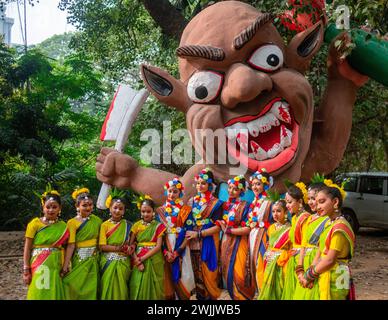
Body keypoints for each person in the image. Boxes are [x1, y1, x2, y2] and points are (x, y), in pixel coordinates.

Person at [301, 182, 356, 300]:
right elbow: (320, 252)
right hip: (323, 273)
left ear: (335, 202)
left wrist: (309, 275)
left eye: (322, 202)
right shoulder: (328, 224)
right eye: (317, 202)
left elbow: (330, 259)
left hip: (336, 277)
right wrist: (310, 273)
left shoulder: (340, 227)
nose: (318, 206)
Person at [23, 187, 69, 300]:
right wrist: (26, 269)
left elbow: (68, 246)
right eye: (48, 207)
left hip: (56, 264)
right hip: (38, 264)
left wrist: (66, 265)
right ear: (43, 207)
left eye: (54, 207)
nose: (51, 210)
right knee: (38, 291)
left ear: (60, 208)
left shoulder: (63, 226)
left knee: (54, 291)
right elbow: (27, 248)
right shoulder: (34, 224)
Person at [185, 168, 223, 300]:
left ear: (210, 185)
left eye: (204, 183)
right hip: (193, 242)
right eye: (198, 183)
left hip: (209, 241)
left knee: (209, 272)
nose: (200, 186)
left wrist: (199, 234)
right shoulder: (191, 201)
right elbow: (187, 222)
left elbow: (218, 226)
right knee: (197, 272)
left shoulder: (217, 203)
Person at [156, 178, 195, 300]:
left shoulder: (186, 210)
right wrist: (165, 251)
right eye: (170, 191)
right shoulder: (161, 211)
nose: (172, 194)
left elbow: (189, 232)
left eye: (175, 192)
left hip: (182, 245)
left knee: (184, 275)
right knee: (167, 275)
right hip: (164, 246)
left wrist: (178, 251)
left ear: (180, 193)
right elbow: (158, 233)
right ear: (167, 192)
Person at [218, 175, 255, 300]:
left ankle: (242, 297)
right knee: (227, 270)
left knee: (239, 272)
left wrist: (229, 230)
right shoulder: (226, 206)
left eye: (235, 189)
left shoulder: (247, 206)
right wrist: (223, 225)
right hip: (226, 241)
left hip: (240, 242)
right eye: (229, 188)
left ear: (241, 191)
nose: (231, 191)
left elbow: (248, 228)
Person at [62, 187, 102, 300]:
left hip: (94, 258)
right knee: (78, 284)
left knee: (93, 284)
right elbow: (71, 245)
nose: (88, 207)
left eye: (90, 204)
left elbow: (101, 242)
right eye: (84, 205)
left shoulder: (98, 221)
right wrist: (65, 265)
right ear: (77, 206)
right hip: (79, 258)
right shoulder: (72, 223)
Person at [294, 175, 328, 300]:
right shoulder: (309, 219)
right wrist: (300, 270)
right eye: (309, 198)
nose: (311, 202)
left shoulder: (327, 220)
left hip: (316, 264)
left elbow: (321, 247)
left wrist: (309, 274)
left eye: (314, 198)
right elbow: (303, 244)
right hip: (304, 263)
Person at [129, 196, 166, 300]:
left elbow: (158, 246)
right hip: (138, 258)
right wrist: (137, 260)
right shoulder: (136, 226)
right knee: (137, 283)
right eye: (143, 211)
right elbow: (131, 245)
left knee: (155, 284)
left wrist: (142, 259)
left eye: (148, 211)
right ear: (140, 211)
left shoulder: (159, 226)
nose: (145, 214)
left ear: (153, 212)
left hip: (154, 258)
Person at [99, 189, 133, 300]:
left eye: (121, 208)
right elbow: (102, 246)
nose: (117, 211)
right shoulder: (104, 225)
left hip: (123, 261)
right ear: (110, 208)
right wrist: (119, 248)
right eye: (115, 208)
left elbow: (133, 242)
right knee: (107, 287)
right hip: (108, 261)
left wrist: (131, 247)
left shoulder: (128, 225)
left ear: (124, 211)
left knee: (122, 289)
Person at [281, 182, 311, 300]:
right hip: (293, 258)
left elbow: (306, 243)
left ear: (300, 202)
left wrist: (298, 253)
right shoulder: (294, 218)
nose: (287, 205)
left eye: (290, 202)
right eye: (286, 202)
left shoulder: (306, 218)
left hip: (301, 260)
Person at [247, 168, 274, 293]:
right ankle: (259, 291)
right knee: (254, 262)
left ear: (266, 185)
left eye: (258, 184)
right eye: (253, 184)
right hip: (253, 235)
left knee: (261, 263)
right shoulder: (254, 202)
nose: (255, 187)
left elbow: (274, 222)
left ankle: (265, 292)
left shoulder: (270, 202)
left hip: (264, 235)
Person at [258, 200, 291, 300]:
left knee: (279, 289)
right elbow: (270, 244)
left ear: (285, 212)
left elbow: (291, 249)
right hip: (269, 262)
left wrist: (279, 254)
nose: (275, 214)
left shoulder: (290, 229)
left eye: (278, 211)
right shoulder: (271, 228)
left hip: (281, 264)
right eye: (273, 211)